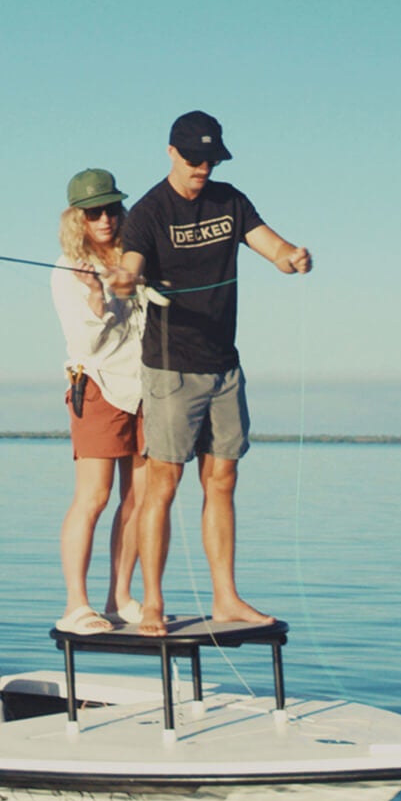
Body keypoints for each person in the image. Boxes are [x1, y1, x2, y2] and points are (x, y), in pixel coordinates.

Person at [107, 111, 312, 635]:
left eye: (212, 159)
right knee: (164, 483)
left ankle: (226, 598)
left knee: (222, 480)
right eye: (195, 158)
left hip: (225, 366)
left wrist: (291, 257)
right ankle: (151, 602)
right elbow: (129, 266)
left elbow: (271, 246)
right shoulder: (150, 212)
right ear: (172, 153)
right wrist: (126, 279)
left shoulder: (230, 201)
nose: (203, 167)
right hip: (172, 368)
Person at [51, 169, 148, 636]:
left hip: (148, 388)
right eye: (94, 212)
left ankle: (120, 597)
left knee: (140, 497)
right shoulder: (65, 270)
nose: (106, 218)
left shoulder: (136, 258)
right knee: (94, 496)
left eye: (111, 208)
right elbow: (86, 344)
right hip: (97, 387)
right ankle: (76, 605)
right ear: (78, 217)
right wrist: (96, 295)